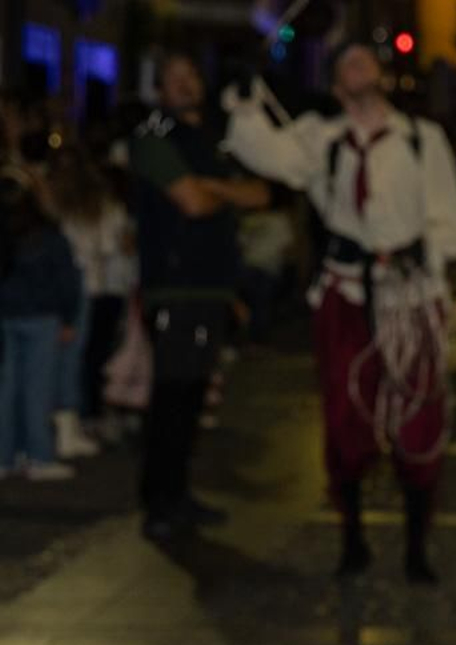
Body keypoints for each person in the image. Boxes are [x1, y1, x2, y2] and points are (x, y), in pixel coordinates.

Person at [224, 43, 456, 582]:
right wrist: (244, 103)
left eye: (366, 61)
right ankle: (353, 540)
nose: (358, 69)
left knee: (418, 416)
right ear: (337, 84)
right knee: (345, 419)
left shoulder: (421, 139)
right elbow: (268, 153)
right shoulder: (320, 138)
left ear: (382, 75)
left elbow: (455, 227)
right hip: (344, 296)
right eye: (347, 65)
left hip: (408, 297)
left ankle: (415, 549)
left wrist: (414, 252)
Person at [129, 52, 269, 541]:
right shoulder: (153, 139)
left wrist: (211, 187)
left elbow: (261, 193)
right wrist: (216, 189)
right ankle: (159, 501)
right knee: (170, 396)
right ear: (159, 91)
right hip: (175, 284)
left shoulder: (215, 138)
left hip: (212, 285)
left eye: (191, 75)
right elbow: (192, 202)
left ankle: (180, 494)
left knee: (193, 398)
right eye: (174, 79)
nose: (185, 85)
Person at [0, 172, 82, 481]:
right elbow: (67, 280)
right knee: (37, 389)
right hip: (41, 317)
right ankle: (37, 455)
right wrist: (69, 317)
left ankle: (5, 455)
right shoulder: (47, 235)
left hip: (7, 316)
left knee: (6, 390)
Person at [53, 145, 133, 457]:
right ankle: (75, 422)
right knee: (85, 357)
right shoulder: (105, 207)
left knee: (73, 358)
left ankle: (71, 421)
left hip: (74, 287)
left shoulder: (59, 207)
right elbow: (117, 246)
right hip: (94, 287)